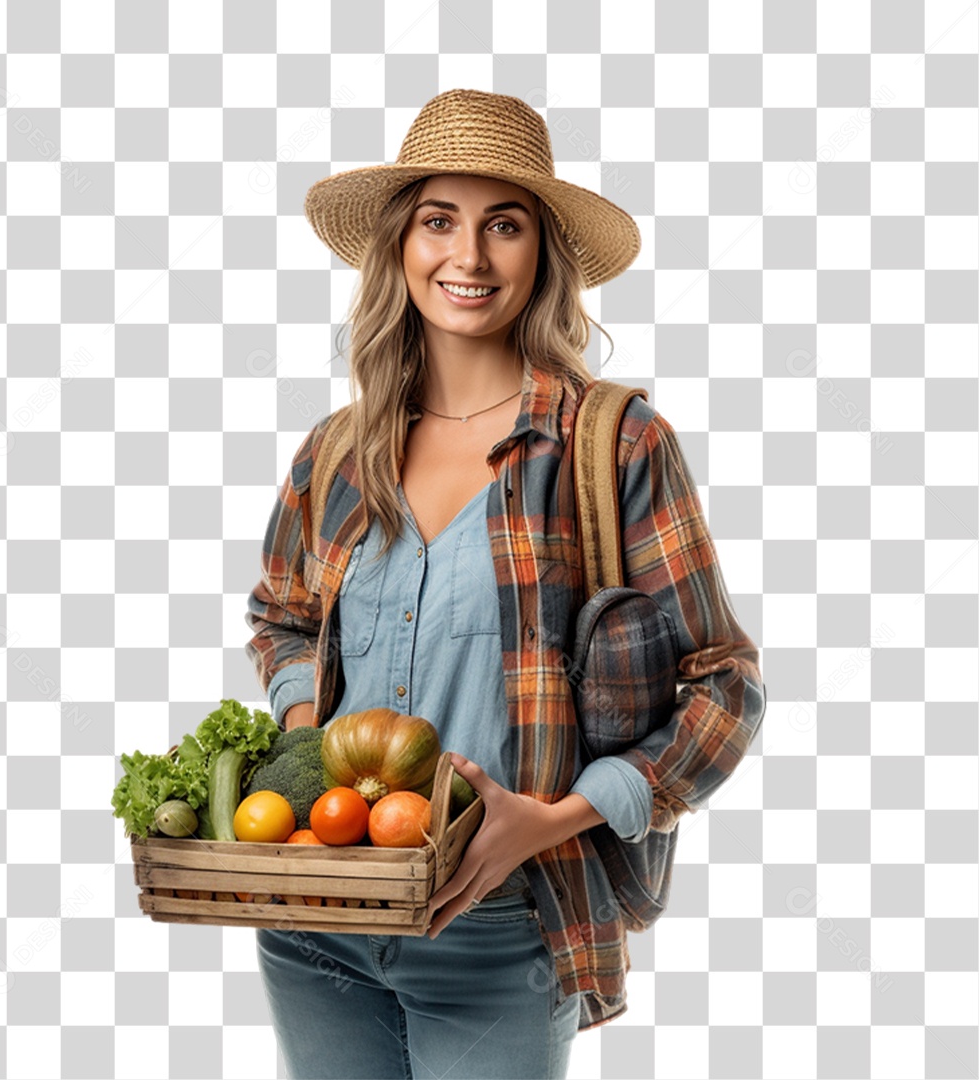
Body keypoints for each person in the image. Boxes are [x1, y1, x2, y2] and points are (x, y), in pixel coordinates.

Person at [245, 89, 766, 1080]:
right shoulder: (339, 452)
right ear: (400, 246)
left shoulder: (610, 447)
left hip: (502, 926)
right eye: (439, 221)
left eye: (505, 226)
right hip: (316, 914)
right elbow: (281, 615)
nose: (469, 258)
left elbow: (726, 687)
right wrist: (314, 726)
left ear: (542, 255)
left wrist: (556, 816)